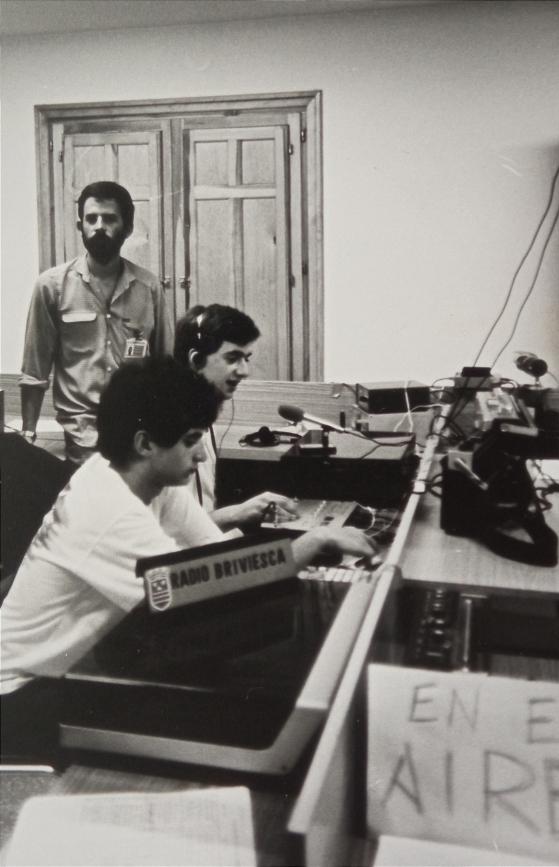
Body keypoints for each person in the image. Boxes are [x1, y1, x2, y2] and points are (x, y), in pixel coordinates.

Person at [0, 357, 376, 763]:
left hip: (65, 669)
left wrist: (290, 557)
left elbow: (214, 560)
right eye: (191, 440)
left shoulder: (143, 477)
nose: (200, 456)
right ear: (145, 444)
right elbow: (197, 589)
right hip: (19, 698)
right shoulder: (108, 508)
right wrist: (305, 547)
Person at [19, 180, 174, 467]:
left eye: (110, 218)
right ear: (81, 226)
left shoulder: (149, 287)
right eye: (91, 219)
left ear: (127, 228)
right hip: (81, 438)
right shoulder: (51, 286)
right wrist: (28, 434)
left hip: (137, 434)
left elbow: (166, 366)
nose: (99, 226)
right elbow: (34, 370)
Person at [174, 304, 299, 530]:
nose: (244, 371)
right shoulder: (165, 427)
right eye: (232, 358)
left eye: (246, 359)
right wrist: (236, 514)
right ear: (196, 360)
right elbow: (167, 533)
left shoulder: (204, 417)